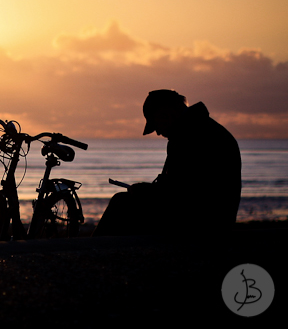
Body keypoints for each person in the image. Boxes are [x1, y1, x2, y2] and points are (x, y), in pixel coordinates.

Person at [93, 89, 241, 236]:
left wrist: (146, 191)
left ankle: (93, 253)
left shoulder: (188, 137)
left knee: (121, 203)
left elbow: (181, 194)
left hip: (201, 224)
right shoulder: (202, 129)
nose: (157, 132)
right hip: (216, 221)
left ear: (167, 115)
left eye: (156, 124)